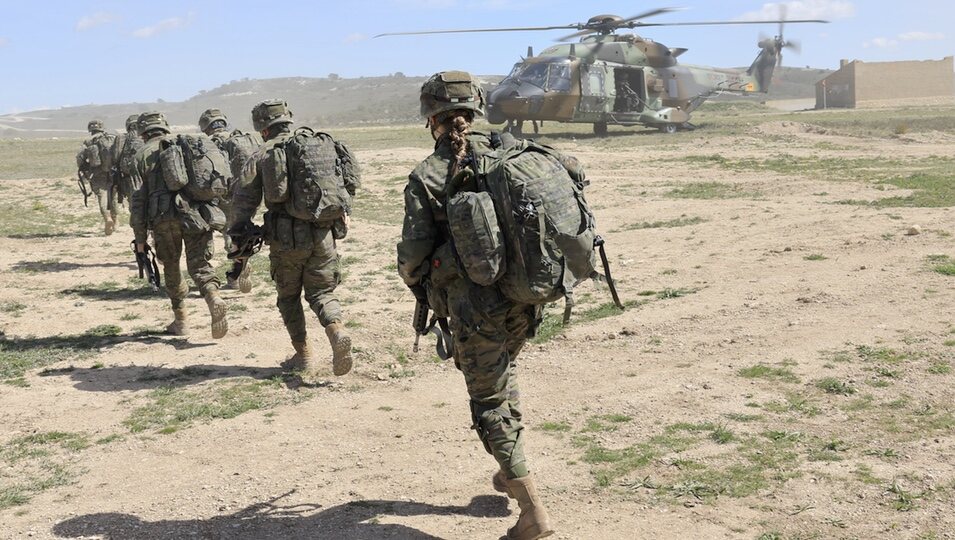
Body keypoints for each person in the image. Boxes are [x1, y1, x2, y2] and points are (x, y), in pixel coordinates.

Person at [396, 71, 554, 540]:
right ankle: (510, 472)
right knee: (502, 378)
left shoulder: (429, 174)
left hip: (473, 309)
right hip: (527, 300)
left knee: (488, 401)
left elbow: (412, 256)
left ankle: (532, 513)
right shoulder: (519, 154)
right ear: (477, 107)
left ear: (432, 118)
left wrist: (423, 282)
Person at [230, 99, 358, 377]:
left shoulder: (263, 153)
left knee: (288, 297)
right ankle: (336, 331)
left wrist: (238, 235)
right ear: (288, 119)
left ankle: (304, 356)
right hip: (324, 234)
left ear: (263, 129)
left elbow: (243, 202)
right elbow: (347, 186)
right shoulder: (318, 146)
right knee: (322, 292)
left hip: (285, 239)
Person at [129, 111, 229, 339]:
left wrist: (141, 238)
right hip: (196, 215)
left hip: (164, 219)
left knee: (171, 266)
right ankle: (213, 296)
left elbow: (138, 200)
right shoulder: (184, 145)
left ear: (142, 132)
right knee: (200, 265)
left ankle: (181, 321)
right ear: (165, 127)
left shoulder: (141, 155)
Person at [198, 108, 261, 292]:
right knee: (241, 228)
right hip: (249, 193)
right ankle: (240, 265)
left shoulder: (211, 143)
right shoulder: (243, 138)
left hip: (225, 195)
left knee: (228, 232)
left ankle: (237, 271)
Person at [77, 119, 118, 235]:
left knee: (102, 196)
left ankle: (107, 218)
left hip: (96, 172)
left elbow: (80, 157)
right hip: (113, 171)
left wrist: (83, 169)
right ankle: (115, 221)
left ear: (90, 129)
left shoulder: (88, 141)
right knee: (113, 195)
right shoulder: (111, 138)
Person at [108, 114, 144, 212]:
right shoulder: (147, 135)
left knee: (135, 206)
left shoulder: (122, 138)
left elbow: (115, 158)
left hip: (130, 179)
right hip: (149, 176)